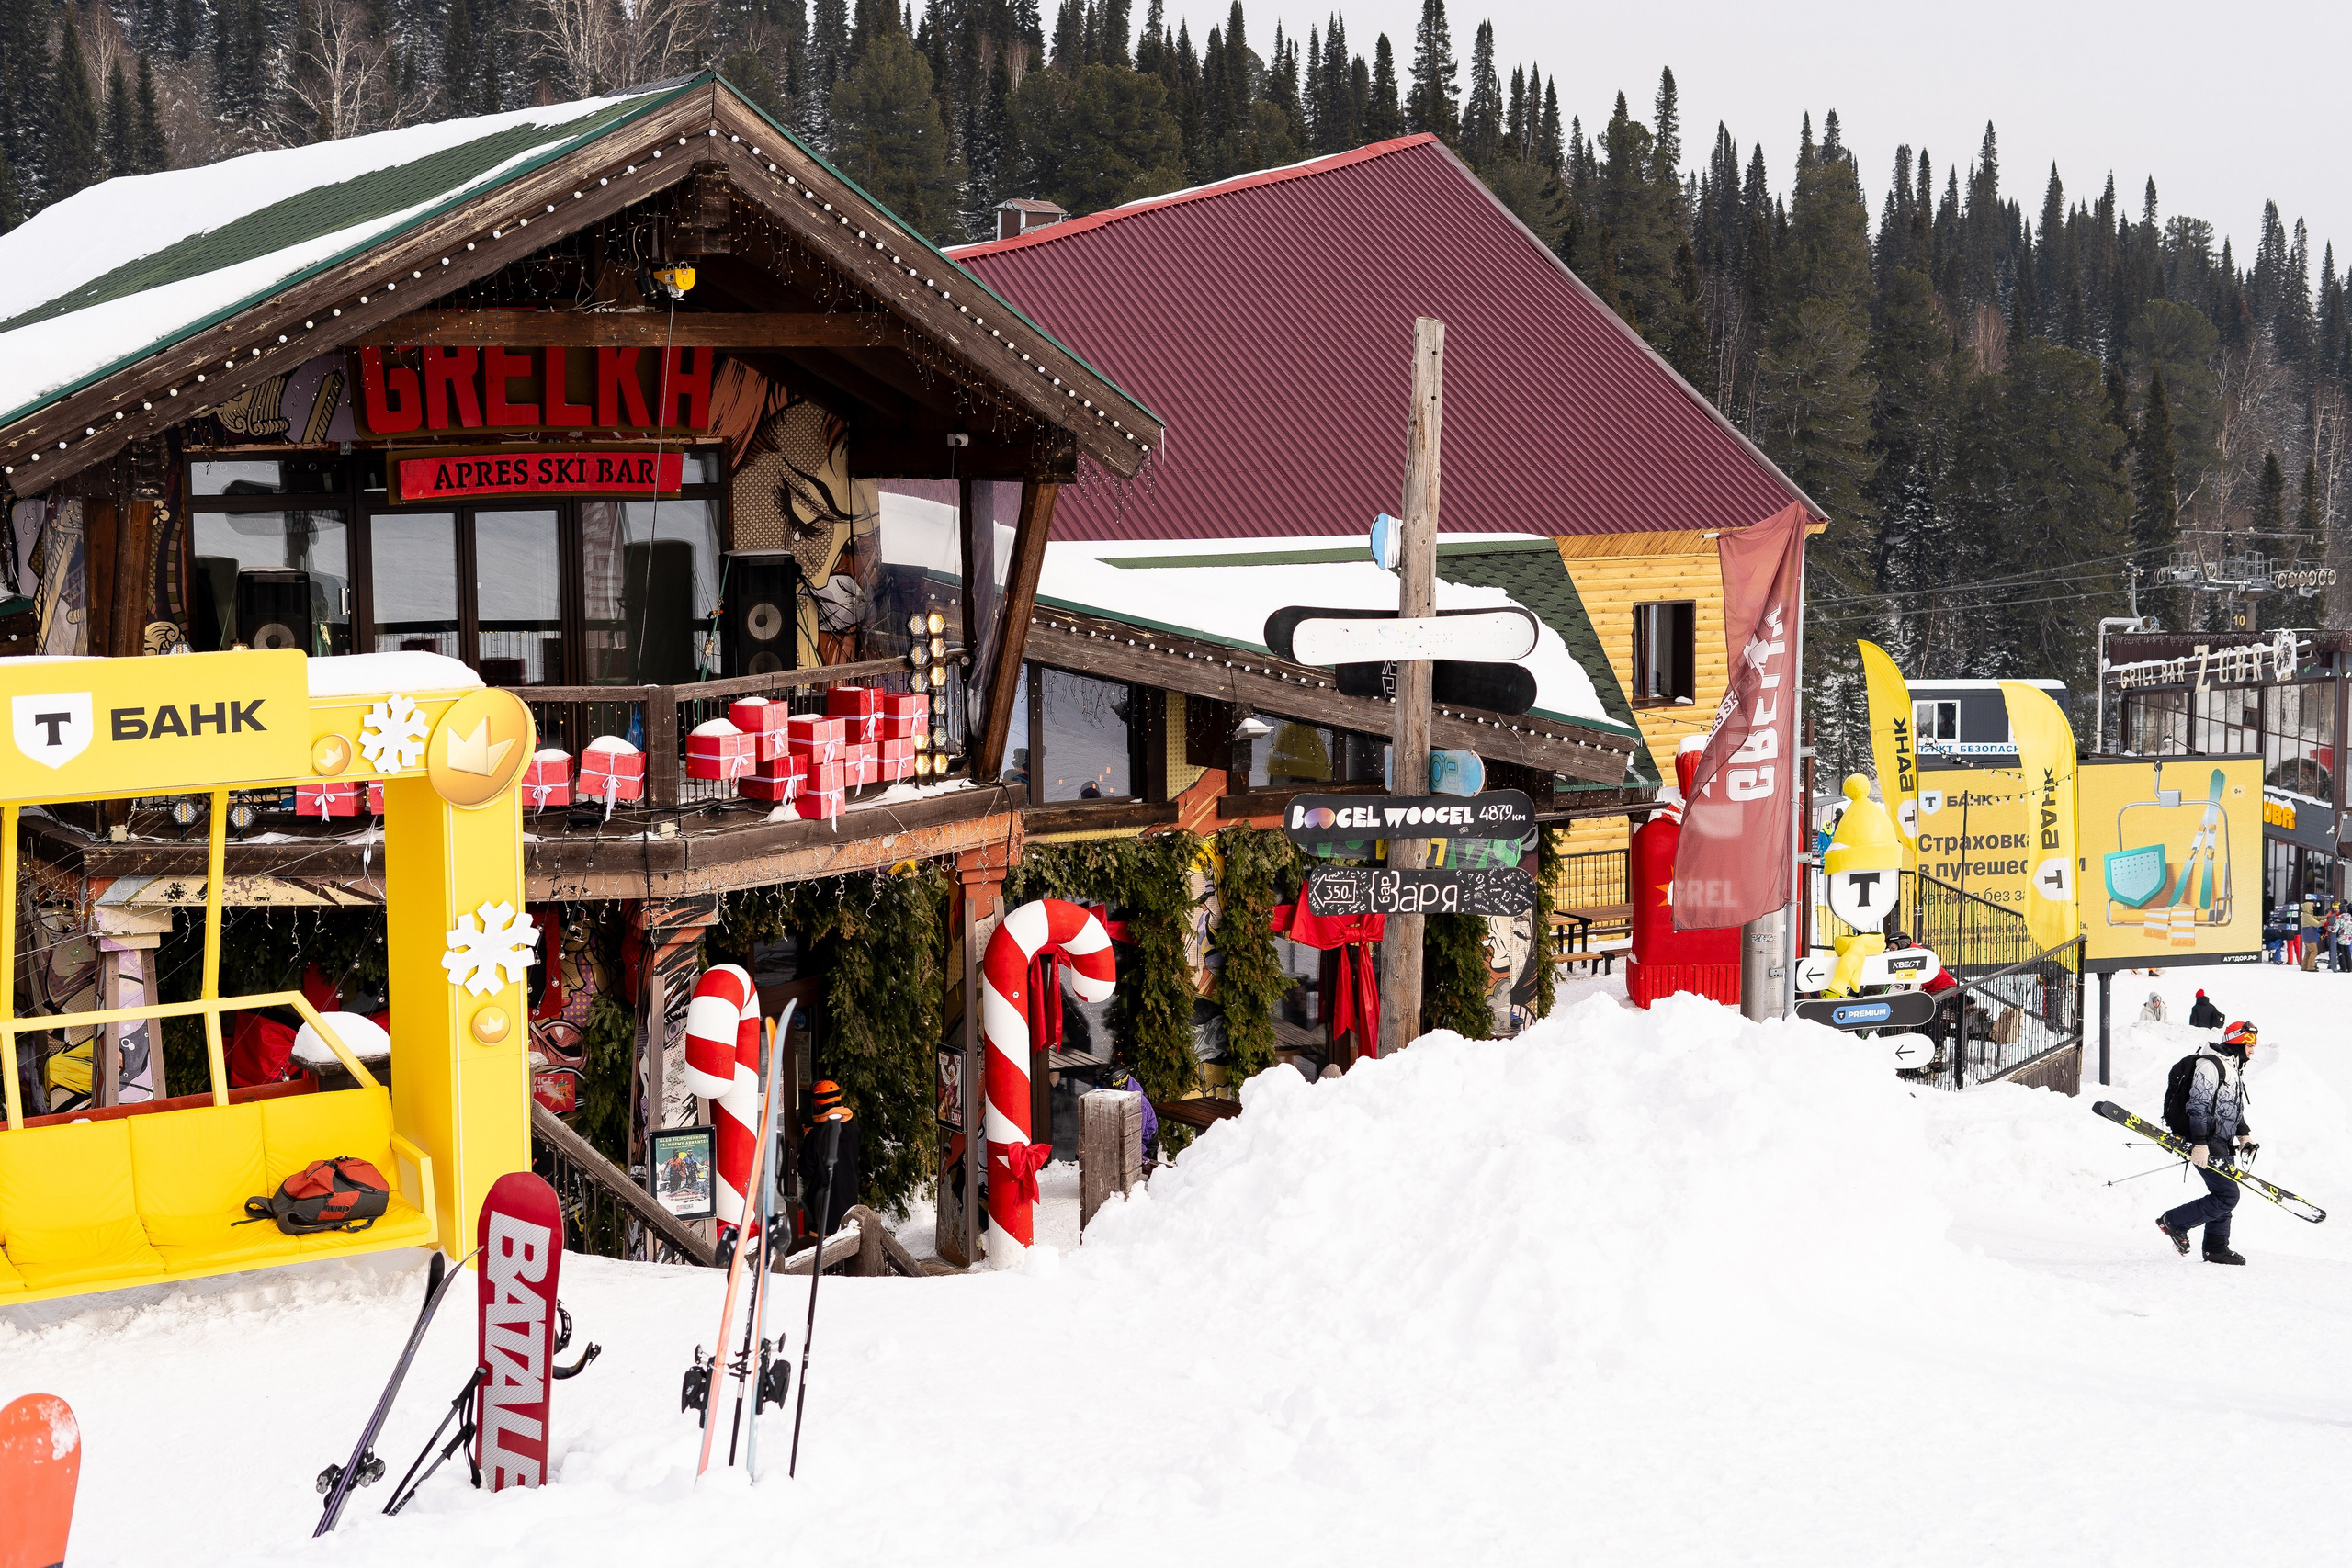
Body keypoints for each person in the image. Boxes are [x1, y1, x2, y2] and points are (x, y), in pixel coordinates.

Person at [2157, 1021, 2257, 1265]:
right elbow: (2197, 1107)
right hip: (2207, 1142)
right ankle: (2175, 1222)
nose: (2253, 1050)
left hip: (2221, 1141)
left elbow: (2230, 1107)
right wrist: (2200, 1143)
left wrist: (2243, 1134)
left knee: (2222, 1194)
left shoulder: (2230, 1066)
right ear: (2239, 1042)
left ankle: (2216, 1248)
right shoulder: (2209, 1066)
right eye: (2250, 1044)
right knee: (2227, 1196)